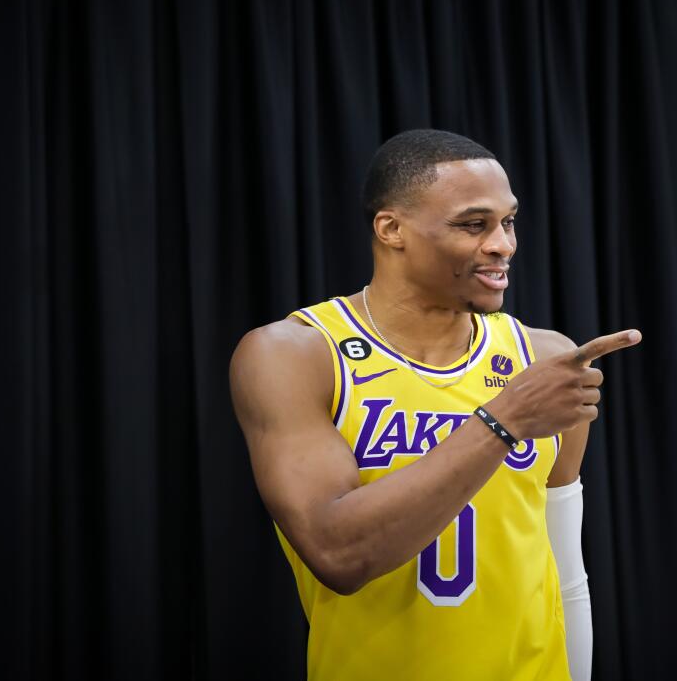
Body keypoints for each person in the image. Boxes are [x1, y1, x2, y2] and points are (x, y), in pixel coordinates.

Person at [229, 129, 640, 680]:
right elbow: (339, 555)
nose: (503, 245)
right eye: (474, 225)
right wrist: (505, 418)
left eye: (508, 221)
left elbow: (566, 568)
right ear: (391, 229)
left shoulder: (543, 358)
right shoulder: (296, 353)